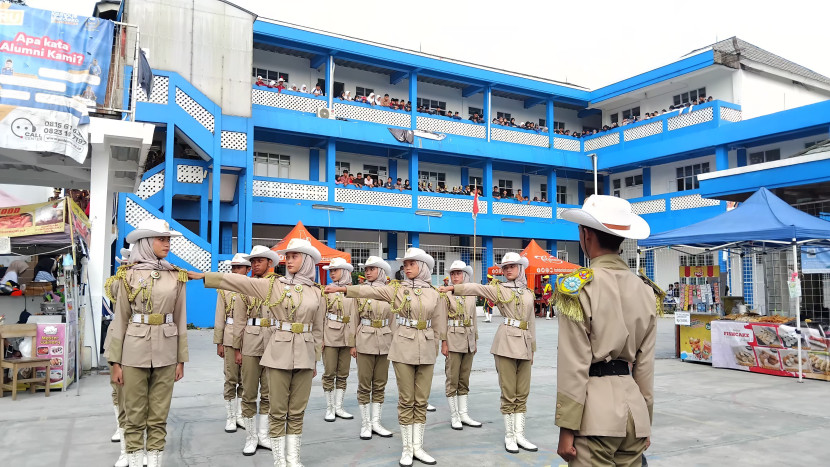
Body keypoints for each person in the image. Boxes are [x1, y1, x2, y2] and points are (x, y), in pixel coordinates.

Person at [192, 238, 324, 467]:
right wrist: (206, 276)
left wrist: (315, 359)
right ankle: (275, 456)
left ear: (307, 261)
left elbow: (319, 330)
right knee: (265, 399)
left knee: (294, 408)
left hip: (302, 352)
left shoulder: (316, 292)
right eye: (288, 256)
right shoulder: (275, 286)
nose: (289, 260)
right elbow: (239, 283)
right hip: (272, 346)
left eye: (295, 256)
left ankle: (293, 458)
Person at [554, 195, 656, 466]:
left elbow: (573, 364)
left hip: (594, 417)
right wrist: (645, 419)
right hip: (634, 414)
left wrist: (567, 428)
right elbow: (644, 366)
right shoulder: (645, 291)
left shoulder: (577, 288)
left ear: (586, 235)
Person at [326, 248, 446, 467]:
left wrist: (436, 346)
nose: (406, 267)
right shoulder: (396, 290)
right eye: (405, 264)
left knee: (421, 400)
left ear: (423, 266)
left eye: (411, 264)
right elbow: (368, 292)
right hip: (402, 348)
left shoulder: (434, 292)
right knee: (406, 399)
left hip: (426, 349)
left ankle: (418, 446)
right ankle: (407, 448)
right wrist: (342, 288)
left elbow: (438, 325)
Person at [108, 219, 189, 467]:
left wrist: (180, 359)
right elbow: (120, 319)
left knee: (158, 413)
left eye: (168, 239)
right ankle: (133, 459)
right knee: (133, 412)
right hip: (133, 350)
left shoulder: (176, 276)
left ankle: (154, 461)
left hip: (166, 350)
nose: (167, 244)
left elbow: (180, 319)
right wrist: (115, 361)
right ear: (145, 242)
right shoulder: (127, 276)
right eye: (161, 239)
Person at [440, 252, 537, 455]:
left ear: (520, 268)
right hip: (506, 343)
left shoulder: (528, 292)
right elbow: (477, 287)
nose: (508, 270)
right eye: (505, 267)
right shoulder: (499, 290)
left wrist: (533, 348)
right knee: (509, 392)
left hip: (525, 344)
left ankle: (520, 434)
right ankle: (510, 436)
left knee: (523, 393)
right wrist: (453, 288)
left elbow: (532, 322)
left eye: (512, 266)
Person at [233, 245, 279, 455]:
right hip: (250, 341)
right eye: (252, 261)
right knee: (249, 392)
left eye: (259, 261)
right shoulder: (245, 285)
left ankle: (264, 435)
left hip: (274, 341)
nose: (255, 264)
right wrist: (237, 348)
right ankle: (251, 437)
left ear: (270, 263)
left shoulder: (280, 285)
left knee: (269, 393)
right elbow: (239, 319)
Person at [348, 256, 395, 440]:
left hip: (384, 339)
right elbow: (353, 319)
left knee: (380, 383)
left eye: (371, 269)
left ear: (381, 271)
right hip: (365, 339)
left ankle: (376, 421)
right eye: (366, 269)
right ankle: (366, 423)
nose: (367, 272)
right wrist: (352, 343)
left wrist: (393, 342)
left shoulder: (390, 292)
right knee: (364, 383)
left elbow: (393, 320)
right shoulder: (360, 291)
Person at [438, 261, 482, 431]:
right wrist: (443, 342)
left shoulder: (470, 294)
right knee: (452, 378)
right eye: (453, 273)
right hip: (453, 338)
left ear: (465, 275)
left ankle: (464, 413)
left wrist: (475, 339)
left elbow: (474, 319)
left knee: (464, 378)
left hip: (468, 338)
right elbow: (442, 319)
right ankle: (454, 415)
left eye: (459, 273)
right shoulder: (446, 295)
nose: (455, 276)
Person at [103, 247, 133, 467]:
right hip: (117, 339)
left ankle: (137, 444)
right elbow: (113, 292)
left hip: (142, 341)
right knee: (118, 392)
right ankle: (122, 435)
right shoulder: (118, 280)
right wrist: (125, 271)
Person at [213, 253, 250, 433]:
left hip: (250, 338)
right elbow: (219, 315)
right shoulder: (224, 288)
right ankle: (230, 417)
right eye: (233, 268)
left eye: (239, 268)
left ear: (248, 270)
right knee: (230, 378)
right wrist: (218, 342)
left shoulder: (253, 288)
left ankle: (242, 415)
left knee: (246, 379)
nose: (235, 271)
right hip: (228, 336)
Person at [321, 257, 356, 423]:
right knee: (329, 373)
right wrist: (320, 338)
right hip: (330, 335)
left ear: (345, 272)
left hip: (348, 335)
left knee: (343, 373)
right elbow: (320, 316)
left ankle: (338, 407)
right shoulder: (327, 290)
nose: (332, 273)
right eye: (331, 271)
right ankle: (329, 408)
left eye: (335, 270)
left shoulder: (354, 291)